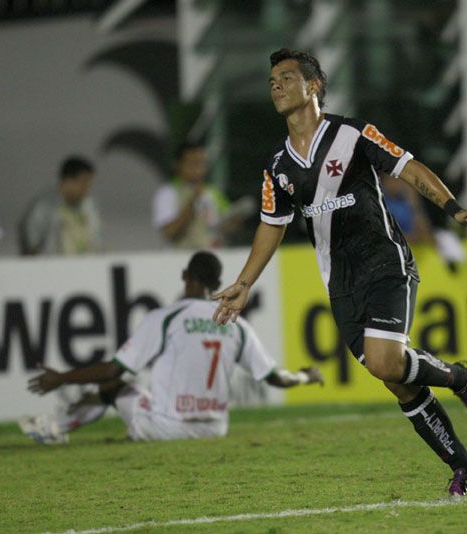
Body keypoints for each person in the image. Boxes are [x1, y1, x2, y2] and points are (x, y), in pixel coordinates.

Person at [213, 49, 467, 497]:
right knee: (395, 380)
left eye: (287, 78)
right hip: (340, 282)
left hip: (386, 262)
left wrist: (454, 209)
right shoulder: (277, 165)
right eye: (272, 81)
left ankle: (463, 379)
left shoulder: (352, 134)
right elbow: (272, 225)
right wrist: (244, 284)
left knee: (387, 360)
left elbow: (409, 167)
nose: (276, 86)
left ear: (314, 86)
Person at [20, 251, 324, 443]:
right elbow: (275, 377)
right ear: (218, 282)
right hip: (214, 430)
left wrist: (60, 377)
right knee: (122, 385)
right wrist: (306, 376)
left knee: (112, 384)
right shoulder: (236, 325)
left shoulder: (167, 318)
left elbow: (113, 368)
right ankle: (57, 429)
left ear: (185, 277)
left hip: (167, 428)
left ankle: (54, 429)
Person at [152, 141, 252, 248]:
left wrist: (233, 223)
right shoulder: (168, 193)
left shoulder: (213, 193)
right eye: (194, 163)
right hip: (183, 258)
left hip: (215, 255)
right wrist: (192, 204)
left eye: (202, 163)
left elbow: (224, 226)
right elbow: (169, 233)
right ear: (179, 165)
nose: (198, 169)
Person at [18, 156, 103, 255]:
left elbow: (96, 241)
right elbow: (30, 243)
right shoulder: (44, 206)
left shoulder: (89, 207)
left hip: (84, 268)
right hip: (52, 268)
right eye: (83, 183)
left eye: (89, 184)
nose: (86, 188)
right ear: (67, 181)